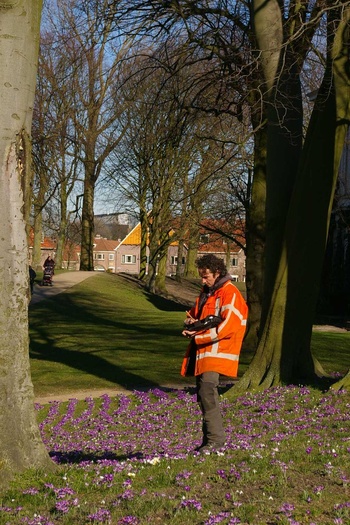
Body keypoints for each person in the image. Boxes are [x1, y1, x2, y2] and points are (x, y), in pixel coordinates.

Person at [181, 254, 248, 454]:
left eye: (205, 276)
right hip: (206, 353)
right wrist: (190, 323)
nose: (202, 280)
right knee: (203, 395)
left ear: (216, 273)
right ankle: (209, 441)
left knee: (207, 392)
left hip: (218, 351)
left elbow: (229, 325)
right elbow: (196, 314)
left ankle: (215, 442)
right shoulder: (208, 293)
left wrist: (199, 336)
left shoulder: (229, 293)